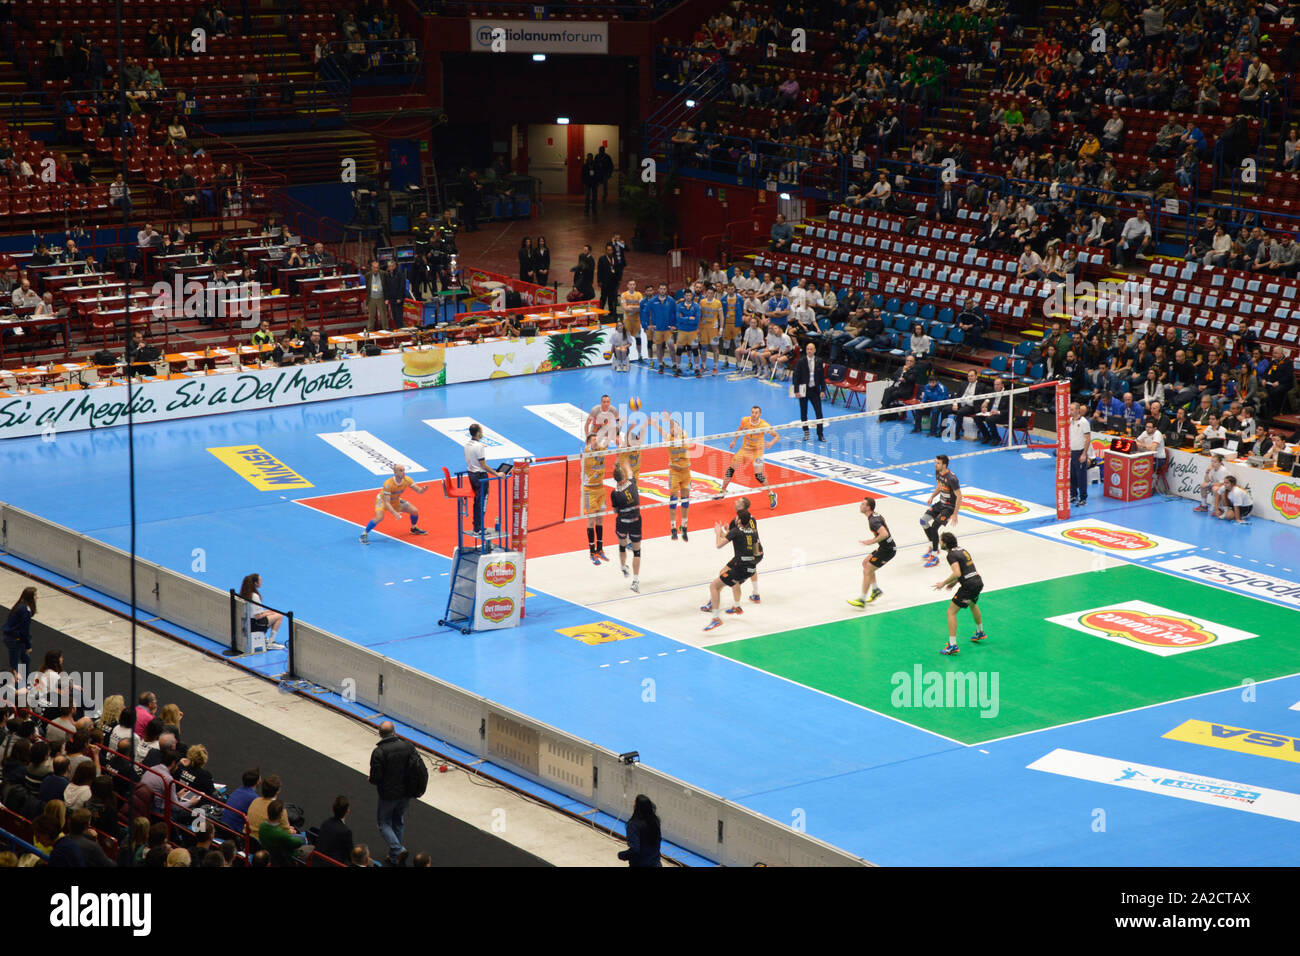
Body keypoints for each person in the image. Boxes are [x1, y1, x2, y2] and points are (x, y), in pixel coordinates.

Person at [701, 506, 762, 631]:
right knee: (730, 579)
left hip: (740, 568)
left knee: (714, 586)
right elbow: (756, 552)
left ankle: (716, 618)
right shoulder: (753, 532)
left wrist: (718, 533)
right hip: (751, 568)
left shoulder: (736, 531)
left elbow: (719, 545)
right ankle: (737, 606)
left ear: (739, 520)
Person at [369, 721, 416, 866]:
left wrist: (371, 779)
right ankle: (395, 857)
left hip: (388, 795)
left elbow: (376, 778)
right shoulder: (408, 746)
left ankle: (397, 849)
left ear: (380, 734)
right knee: (398, 820)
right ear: (394, 731)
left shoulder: (379, 752)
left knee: (383, 823)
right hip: (406, 792)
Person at [717, 405, 780, 509]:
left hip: (757, 451)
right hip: (746, 449)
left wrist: (771, 443)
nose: (754, 414)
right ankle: (722, 491)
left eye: (756, 413)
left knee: (758, 475)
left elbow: (777, 436)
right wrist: (734, 441)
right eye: (752, 412)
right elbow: (739, 430)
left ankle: (771, 493)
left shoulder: (764, 425)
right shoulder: (745, 420)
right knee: (731, 468)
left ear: (760, 414)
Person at [933, 532, 986, 655]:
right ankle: (980, 632)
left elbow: (957, 573)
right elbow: (966, 570)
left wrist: (943, 583)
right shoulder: (962, 550)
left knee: (951, 612)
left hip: (969, 586)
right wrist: (953, 583)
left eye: (941, 540)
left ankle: (952, 645)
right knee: (972, 603)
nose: (939, 542)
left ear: (945, 543)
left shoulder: (951, 555)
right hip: (977, 582)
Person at [359, 464, 428, 543]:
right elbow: (387, 503)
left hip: (395, 500)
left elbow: (419, 491)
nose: (403, 472)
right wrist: (395, 513)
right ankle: (364, 534)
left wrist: (423, 490)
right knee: (379, 517)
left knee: (414, 511)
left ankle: (414, 528)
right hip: (382, 500)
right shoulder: (388, 484)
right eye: (401, 470)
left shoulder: (407, 480)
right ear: (395, 473)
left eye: (404, 470)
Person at [652, 413, 694, 541]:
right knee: (673, 500)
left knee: (685, 500)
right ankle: (673, 529)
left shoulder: (684, 435)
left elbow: (679, 431)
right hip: (674, 473)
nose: (672, 429)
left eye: (674, 426)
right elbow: (661, 431)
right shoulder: (668, 438)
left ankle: (684, 527)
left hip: (686, 473)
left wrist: (670, 419)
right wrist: (655, 424)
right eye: (670, 427)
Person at [847, 497, 893, 607]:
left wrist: (871, 541)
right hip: (884, 547)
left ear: (868, 508)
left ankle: (862, 600)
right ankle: (876, 590)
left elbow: (884, 534)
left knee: (867, 570)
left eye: (863, 504)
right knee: (865, 563)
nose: (860, 505)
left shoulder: (873, 521)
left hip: (888, 550)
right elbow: (883, 522)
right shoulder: (875, 515)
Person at [465, 424, 504, 548]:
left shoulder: (467, 445)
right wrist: (497, 474)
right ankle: (478, 528)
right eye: (481, 431)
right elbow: (483, 465)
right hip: (480, 477)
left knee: (477, 501)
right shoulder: (479, 446)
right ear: (478, 433)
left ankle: (477, 525)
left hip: (471, 475)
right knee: (482, 502)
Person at [921, 455, 961, 565]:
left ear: (944, 465)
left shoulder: (952, 479)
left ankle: (934, 556)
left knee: (934, 527)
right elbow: (939, 486)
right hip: (941, 503)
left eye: (938, 463)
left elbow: (959, 496)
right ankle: (933, 546)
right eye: (936, 462)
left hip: (949, 507)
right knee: (923, 521)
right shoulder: (938, 472)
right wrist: (932, 496)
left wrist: (955, 514)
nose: (935, 465)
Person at [610, 466, 642, 593]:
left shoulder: (615, 493)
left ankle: (623, 566)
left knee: (622, 545)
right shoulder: (633, 484)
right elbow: (630, 472)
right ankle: (635, 581)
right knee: (637, 552)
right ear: (624, 476)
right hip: (635, 521)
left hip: (622, 522)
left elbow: (615, 510)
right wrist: (625, 463)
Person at [582, 433, 610, 565]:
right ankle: (592, 552)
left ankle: (600, 549)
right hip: (589, 491)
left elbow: (608, 440)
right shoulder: (587, 453)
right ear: (589, 443)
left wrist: (613, 427)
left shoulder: (601, 449)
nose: (597, 441)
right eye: (594, 440)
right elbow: (591, 446)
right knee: (591, 521)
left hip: (601, 489)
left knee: (600, 519)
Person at [792, 342, 827, 441]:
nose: (809, 351)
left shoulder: (819, 361)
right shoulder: (801, 361)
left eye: (811, 349)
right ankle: (806, 432)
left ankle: (820, 434)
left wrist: (823, 389)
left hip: (815, 390)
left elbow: (822, 377)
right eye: (808, 349)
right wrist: (796, 390)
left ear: (814, 350)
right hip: (803, 389)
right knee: (803, 412)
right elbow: (796, 376)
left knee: (819, 413)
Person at [238, 574, 283, 648]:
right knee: (279, 616)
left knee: (273, 613)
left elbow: (253, 612)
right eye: (260, 580)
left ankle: (268, 641)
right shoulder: (255, 596)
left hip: (247, 623)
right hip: (255, 625)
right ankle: (271, 642)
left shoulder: (243, 594)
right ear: (255, 583)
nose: (261, 581)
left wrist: (267, 612)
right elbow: (257, 616)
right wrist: (267, 613)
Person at [616, 794, 662, 867]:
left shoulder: (633, 825)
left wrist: (622, 855)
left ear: (637, 807)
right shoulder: (655, 821)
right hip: (655, 863)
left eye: (635, 803)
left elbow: (635, 850)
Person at [2, 587, 36, 677]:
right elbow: (24, 630)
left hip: (13, 637)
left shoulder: (20, 606)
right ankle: (12, 682)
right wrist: (28, 645)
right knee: (14, 665)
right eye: (35, 595)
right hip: (14, 639)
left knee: (26, 659)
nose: (37, 597)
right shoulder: (25, 610)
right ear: (30, 598)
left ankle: (23, 681)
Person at [313, 795, 354, 866]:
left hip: (316, 862)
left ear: (333, 809)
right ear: (347, 811)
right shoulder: (346, 831)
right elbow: (351, 857)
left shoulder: (325, 823)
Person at [1069, 402, 1091, 506]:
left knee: (1081, 476)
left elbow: (1088, 439)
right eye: (1070, 409)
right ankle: (1073, 495)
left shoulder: (1084, 422)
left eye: (1072, 409)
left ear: (1078, 410)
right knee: (1072, 475)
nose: (1070, 411)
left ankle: (1083, 498)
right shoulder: (1070, 421)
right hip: (1071, 452)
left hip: (1080, 452)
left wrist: (1084, 454)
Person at [619, 280, 644, 364]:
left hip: (636, 321)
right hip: (627, 321)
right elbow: (625, 308)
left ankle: (640, 355)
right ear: (627, 285)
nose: (632, 286)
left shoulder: (639, 295)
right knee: (626, 340)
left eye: (633, 284)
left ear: (635, 285)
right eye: (630, 284)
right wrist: (636, 308)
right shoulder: (624, 295)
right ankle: (625, 357)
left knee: (638, 338)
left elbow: (642, 307)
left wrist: (631, 307)